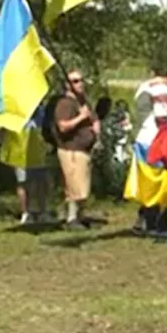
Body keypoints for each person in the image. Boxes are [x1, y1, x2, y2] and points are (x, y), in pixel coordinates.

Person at [128, 70, 167, 237]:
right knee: (161, 183)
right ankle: (157, 225)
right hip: (156, 141)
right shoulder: (161, 89)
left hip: (143, 138)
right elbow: (162, 116)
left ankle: (143, 222)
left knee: (147, 184)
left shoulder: (143, 87)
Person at [53, 69, 100, 230]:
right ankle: (71, 218)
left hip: (84, 149)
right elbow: (63, 126)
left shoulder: (83, 101)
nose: (80, 84)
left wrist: (95, 126)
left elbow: (93, 117)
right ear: (68, 85)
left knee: (83, 185)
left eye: (81, 80)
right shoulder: (65, 103)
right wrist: (81, 117)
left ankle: (79, 216)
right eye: (75, 81)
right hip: (71, 149)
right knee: (74, 185)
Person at [0, 109, 49, 224]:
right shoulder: (13, 113)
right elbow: (2, 131)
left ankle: (43, 212)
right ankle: (26, 213)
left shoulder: (40, 112)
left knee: (41, 182)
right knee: (23, 183)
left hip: (38, 154)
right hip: (20, 154)